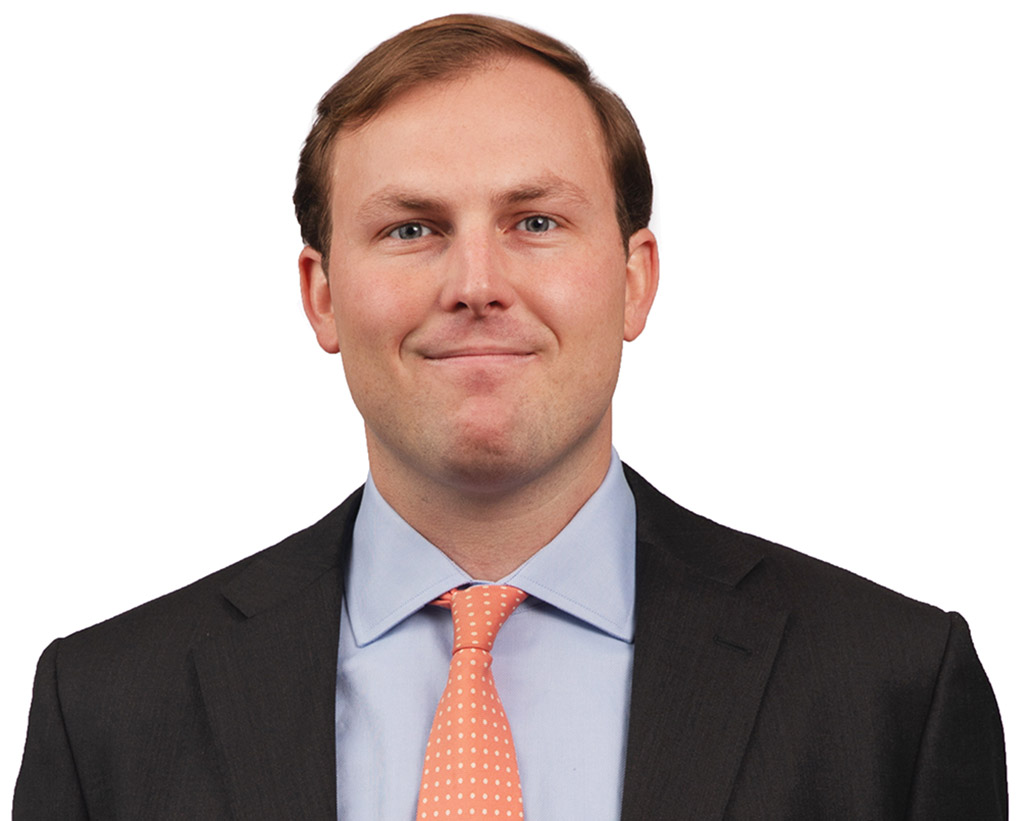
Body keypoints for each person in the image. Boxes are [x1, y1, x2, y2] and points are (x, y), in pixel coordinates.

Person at [14, 13, 1006, 820]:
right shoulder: (106, 708)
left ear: (633, 279)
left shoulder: (890, 690)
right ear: (321, 295)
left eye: (535, 221)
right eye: (412, 227)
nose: (476, 283)